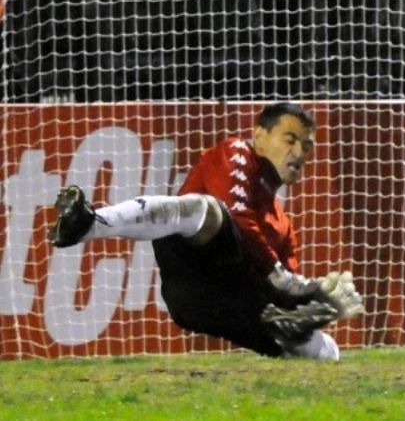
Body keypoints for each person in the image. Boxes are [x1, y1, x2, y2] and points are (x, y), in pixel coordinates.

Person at [47, 103, 363, 360]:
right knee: (207, 210)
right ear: (260, 136)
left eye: (306, 146)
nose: (299, 152)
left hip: (221, 305)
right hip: (191, 269)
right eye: (290, 139)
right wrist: (288, 281)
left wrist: (317, 306)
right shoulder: (237, 152)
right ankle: (91, 223)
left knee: (327, 352)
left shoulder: (283, 226)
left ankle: (290, 335)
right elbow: (237, 215)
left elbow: (281, 296)